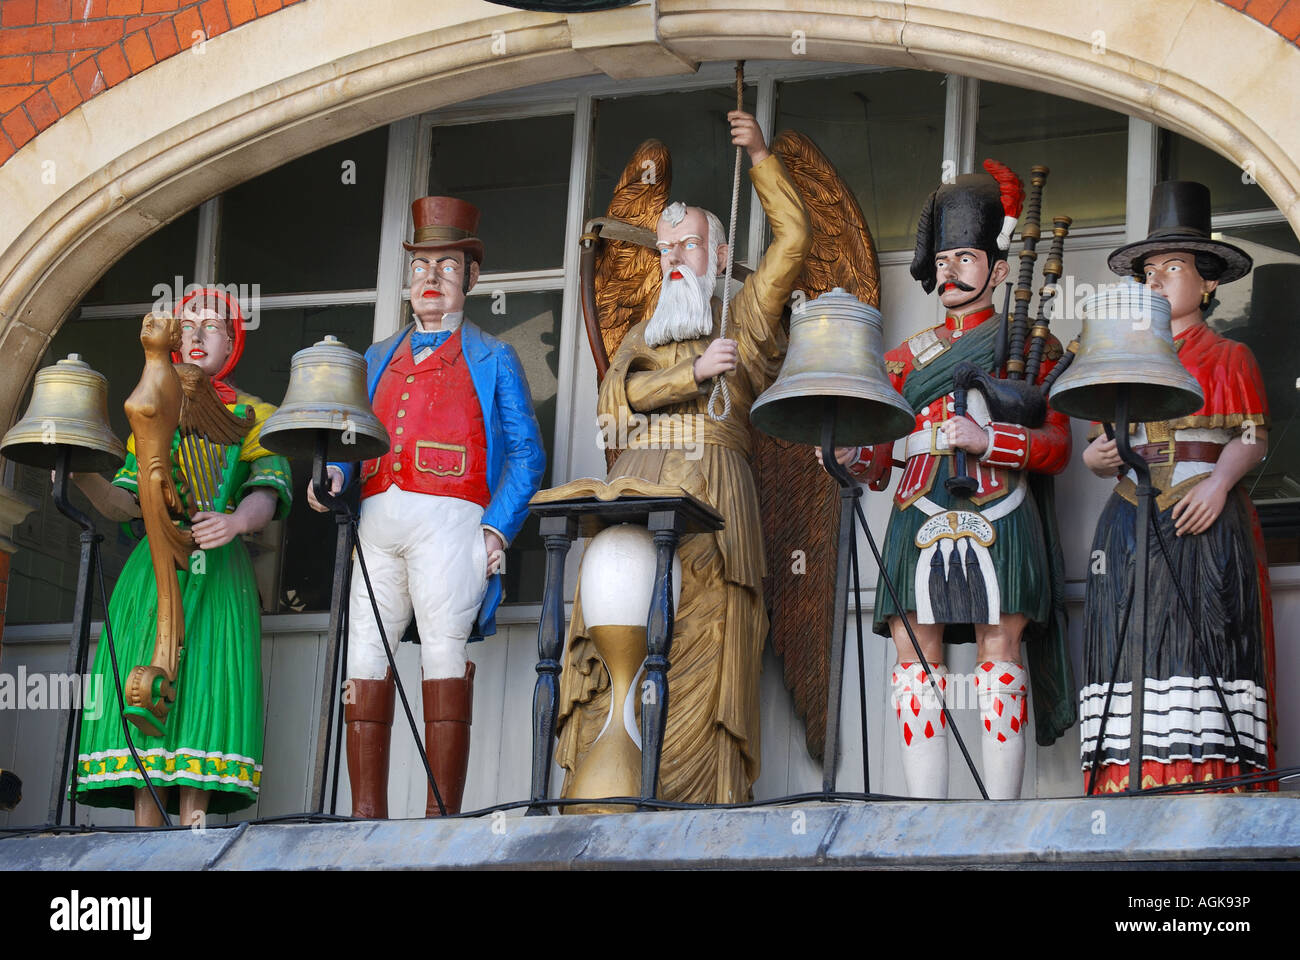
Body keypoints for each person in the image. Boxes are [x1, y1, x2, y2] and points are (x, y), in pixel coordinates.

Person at [555, 110, 812, 804]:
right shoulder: (644, 331)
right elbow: (615, 402)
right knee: (616, 638)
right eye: (665, 249)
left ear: (720, 258)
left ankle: (698, 801)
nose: (674, 260)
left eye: (689, 247)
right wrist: (690, 374)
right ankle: (603, 785)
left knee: (707, 637)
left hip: (714, 493)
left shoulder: (746, 316)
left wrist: (758, 154)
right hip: (633, 488)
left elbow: (792, 241)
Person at [825, 162, 1073, 799]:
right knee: (916, 647)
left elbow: (1058, 447)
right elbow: (880, 465)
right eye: (943, 258)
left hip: (1001, 502)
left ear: (995, 267)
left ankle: (1002, 815)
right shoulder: (903, 358)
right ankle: (924, 816)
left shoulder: (1029, 345)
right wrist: (853, 456)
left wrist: (989, 440)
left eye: (966, 256)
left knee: (1000, 644)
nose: (950, 269)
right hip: (918, 504)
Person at [308, 196, 545, 817]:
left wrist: (497, 528)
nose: (431, 279)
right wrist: (333, 473)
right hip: (378, 522)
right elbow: (352, 442)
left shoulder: (494, 357)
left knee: (444, 648)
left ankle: (442, 816)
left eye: (446, 266)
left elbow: (525, 455)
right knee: (365, 650)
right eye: (421, 266)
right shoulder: (375, 356)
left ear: (470, 278)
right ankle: (366, 816)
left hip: (453, 520)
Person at [1079, 180, 1274, 794]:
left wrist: (1220, 481)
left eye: (1173, 267)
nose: (1157, 280)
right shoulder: (1122, 357)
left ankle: (1210, 777)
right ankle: (1125, 781)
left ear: (1208, 282)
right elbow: (1095, 445)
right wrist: (1097, 457)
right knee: (1127, 640)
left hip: (1201, 516)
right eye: (1149, 270)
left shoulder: (1228, 357)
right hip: (1130, 520)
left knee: (1203, 641)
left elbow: (1252, 435)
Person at [71, 288, 291, 825]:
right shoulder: (150, 408)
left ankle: (194, 828)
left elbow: (269, 489)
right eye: (186, 324)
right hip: (154, 569)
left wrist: (236, 520)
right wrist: (78, 468)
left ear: (232, 344)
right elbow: (126, 501)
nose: (195, 334)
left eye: (212, 326)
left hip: (216, 572)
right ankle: (147, 835)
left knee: (207, 683)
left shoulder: (256, 413)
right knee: (147, 677)